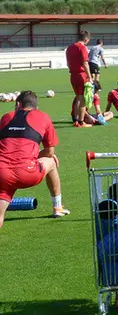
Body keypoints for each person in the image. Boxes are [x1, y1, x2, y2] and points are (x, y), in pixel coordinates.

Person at [0, 91, 70, 228]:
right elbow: (50, 152)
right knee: (52, 161)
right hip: (28, 173)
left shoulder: (6, 117)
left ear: (18, 105)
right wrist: (36, 155)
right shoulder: (43, 117)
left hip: (2, 173)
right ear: (36, 107)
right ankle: (57, 207)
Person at [66, 30, 93, 127]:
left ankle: (76, 120)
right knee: (83, 99)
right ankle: (81, 122)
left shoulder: (69, 48)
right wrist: (89, 77)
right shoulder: (82, 48)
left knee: (78, 98)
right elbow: (85, 63)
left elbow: (68, 63)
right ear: (86, 39)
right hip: (81, 75)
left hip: (72, 75)